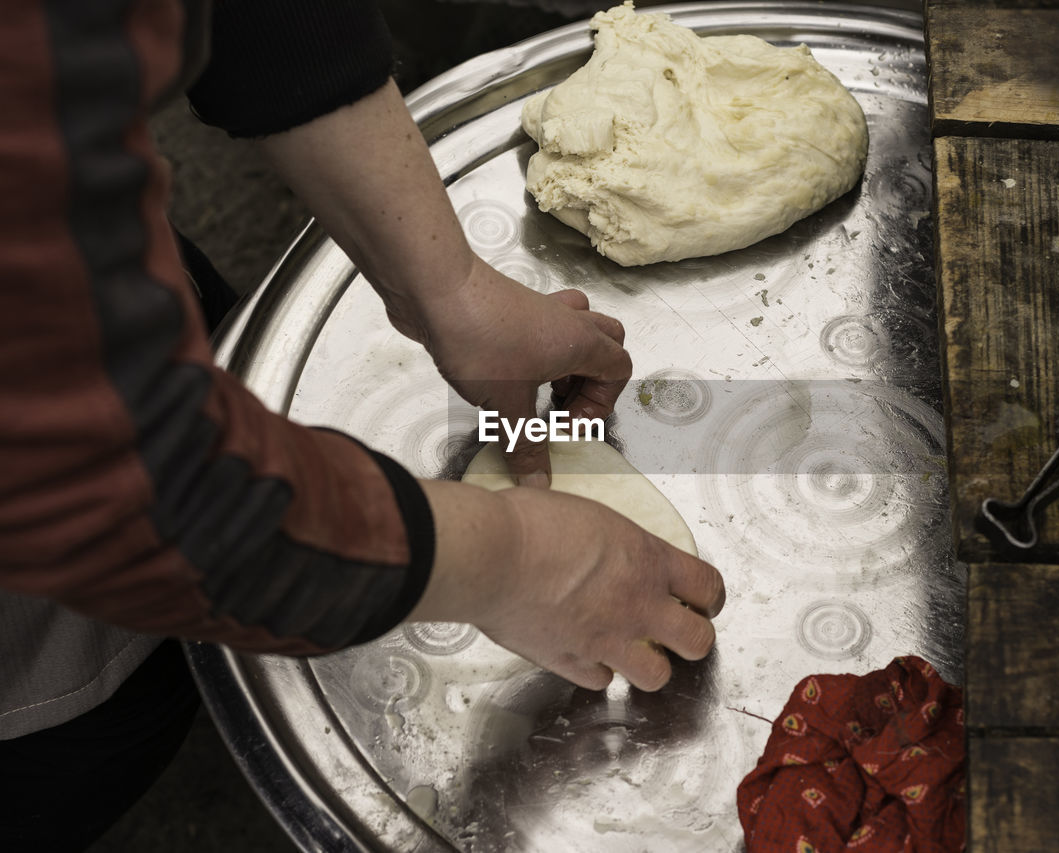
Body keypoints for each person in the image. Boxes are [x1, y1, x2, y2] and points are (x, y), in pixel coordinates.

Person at [0, 0, 725, 847]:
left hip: (105, 306)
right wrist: (510, 559)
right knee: (100, 746)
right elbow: (111, 487)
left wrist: (447, 288)